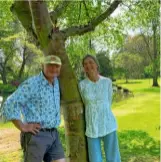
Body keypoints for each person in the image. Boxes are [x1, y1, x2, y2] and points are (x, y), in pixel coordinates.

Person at [1, 55, 66, 162]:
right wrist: (22, 126)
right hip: (36, 135)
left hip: (54, 134)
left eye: (56, 66)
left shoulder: (56, 82)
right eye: (50, 65)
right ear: (42, 66)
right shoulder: (32, 84)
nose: (53, 69)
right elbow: (10, 103)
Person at [79, 54, 121, 162]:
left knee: (113, 158)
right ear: (84, 68)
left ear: (96, 65)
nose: (88, 65)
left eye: (91, 62)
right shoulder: (82, 85)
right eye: (85, 64)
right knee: (95, 159)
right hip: (92, 127)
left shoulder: (107, 82)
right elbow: (84, 103)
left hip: (108, 124)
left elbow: (108, 101)